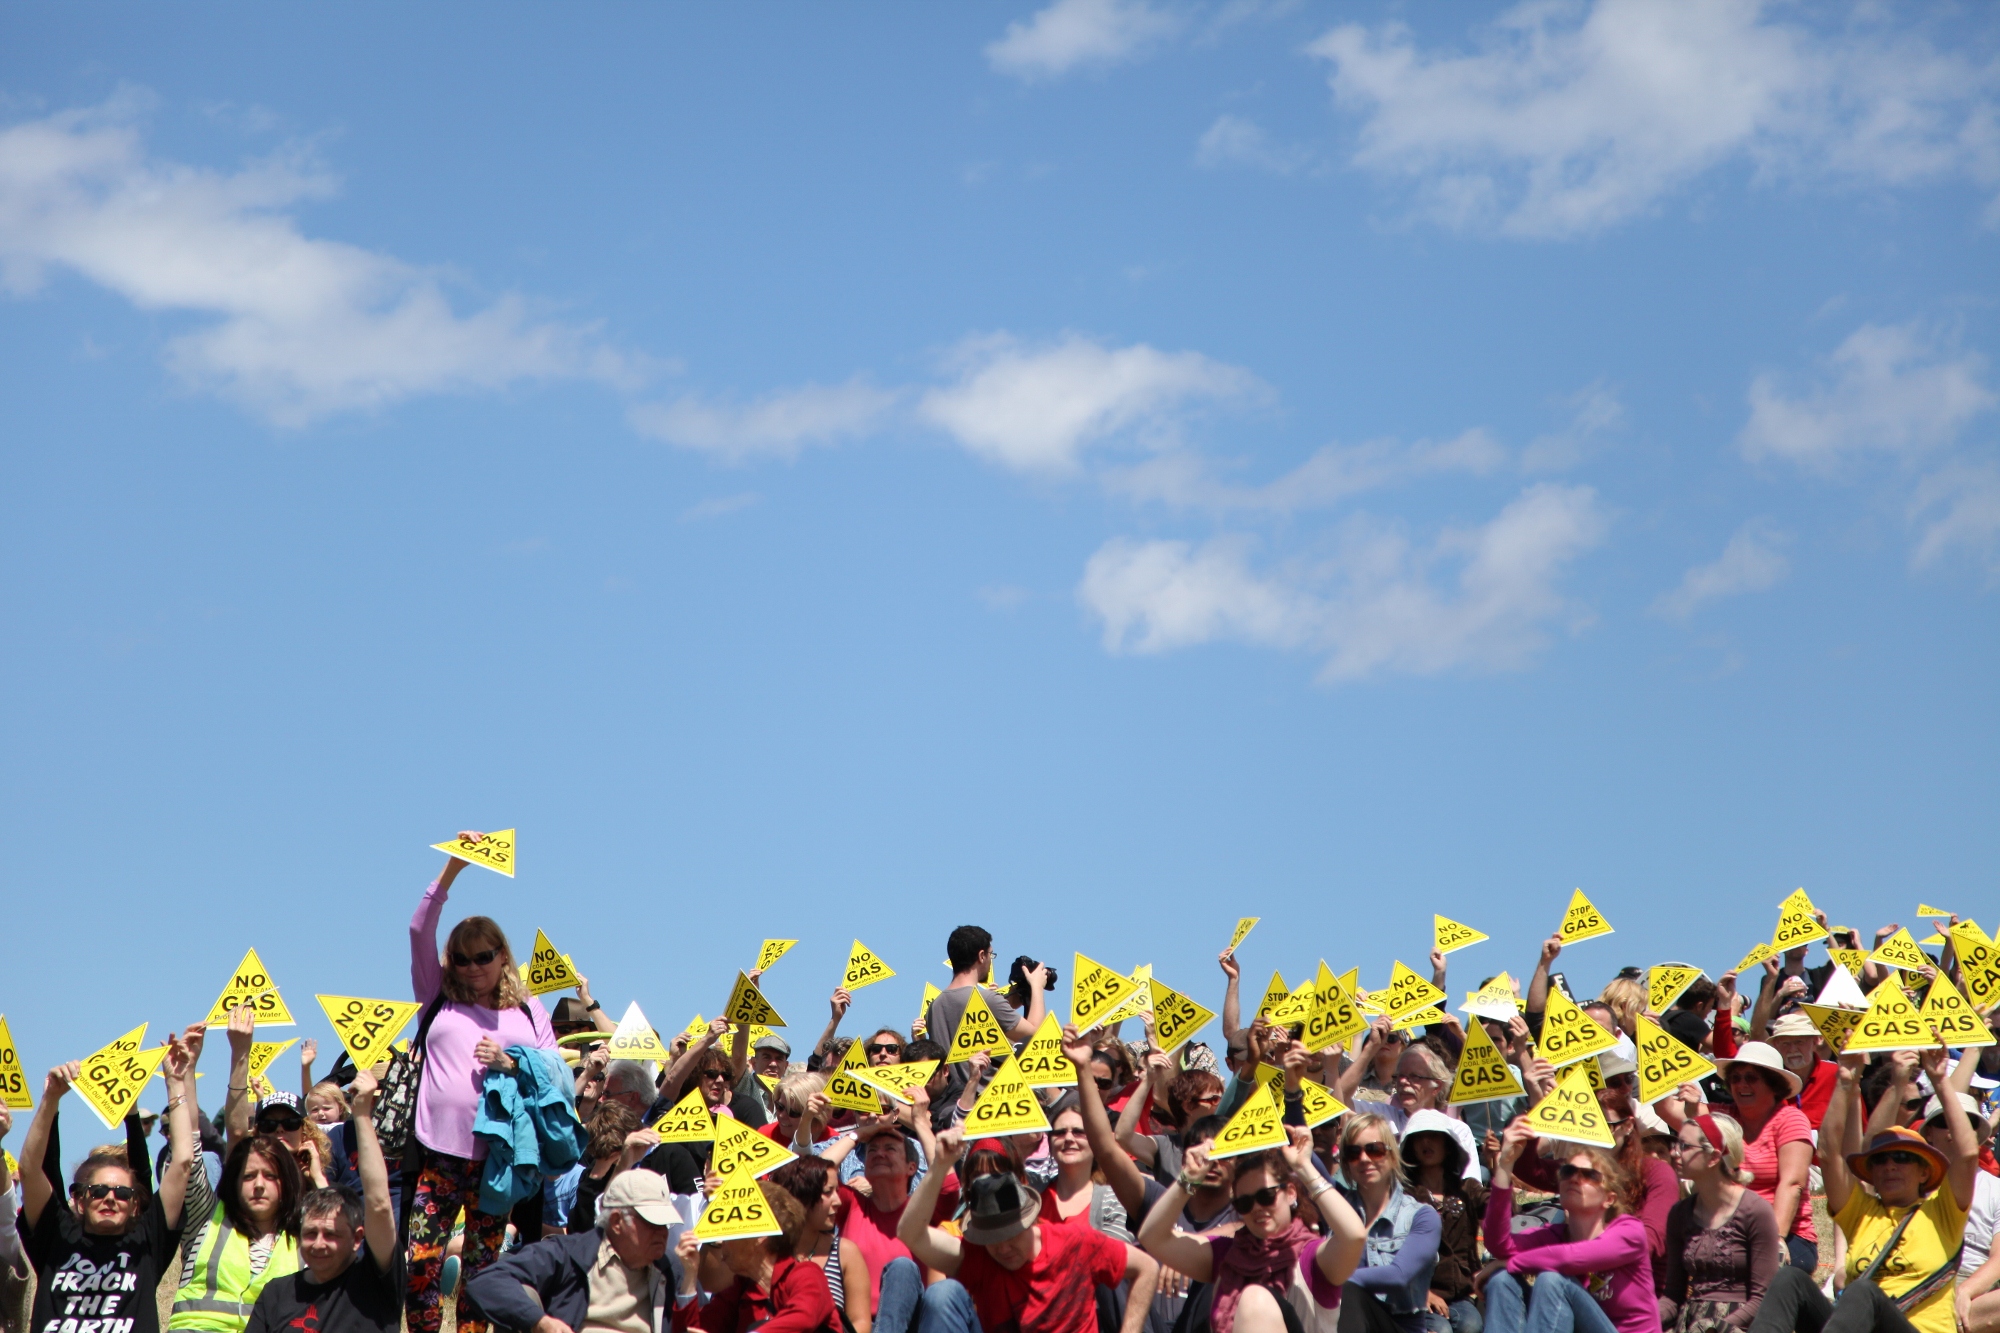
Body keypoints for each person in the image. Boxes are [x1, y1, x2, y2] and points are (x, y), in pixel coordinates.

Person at [406, 836, 563, 1333]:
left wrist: (512, 1061)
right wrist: (453, 868)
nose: (473, 967)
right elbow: (418, 929)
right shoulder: (437, 994)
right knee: (419, 1262)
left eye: (484, 956)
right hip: (439, 1153)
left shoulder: (527, 1007)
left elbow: (557, 1068)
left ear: (503, 956)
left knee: (484, 1270)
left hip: (499, 1156)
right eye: (463, 958)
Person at [1749, 1043, 1979, 1333]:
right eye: (1881, 1159)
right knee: (1790, 1279)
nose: (1890, 1166)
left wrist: (1940, 1080)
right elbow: (1830, 1154)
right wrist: (1845, 1081)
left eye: (1903, 1158)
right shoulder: (1861, 1212)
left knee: (1863, 1291)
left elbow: (1968, 1153)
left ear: (1925, 1172)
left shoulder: (1943, 1212)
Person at [899, 1123, 1159, 1333]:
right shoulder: (978, 1257)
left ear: (1030, 1219)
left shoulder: (1075, 1242)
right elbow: (909, 1233)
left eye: (1010, 1234)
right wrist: (940, 1165)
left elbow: (1146, 1268)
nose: (1003, 1247)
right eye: (992, 1238)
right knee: (942, 1292)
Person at [20, 1036, 196, 1333]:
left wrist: (175, 1084)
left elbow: (182, 1163)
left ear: (135, 1204)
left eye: (122, 1193)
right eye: (99, 1191)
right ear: (79, 1199)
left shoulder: (146, 1244)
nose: (110, 1198)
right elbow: (30, 1170)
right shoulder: (57, 1238)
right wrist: (51, 1100)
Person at [1137, 1126, 1364, 1333]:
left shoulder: (1312, 1257)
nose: (1256, 1208)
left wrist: (1304, 1167)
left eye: (1266, 1196)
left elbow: (1354, 1235)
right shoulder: (1229, 1256)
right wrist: (1188, 1179)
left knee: (1255, 1299)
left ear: (1291, 1193)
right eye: (1245, 1203)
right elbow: (1153, 1237)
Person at [170, 1020, 307, 1333]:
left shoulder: (307, 1229)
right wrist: (184, 1077)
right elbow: (189, 1147)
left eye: (270, 1176)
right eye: (248, 1176)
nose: (258, 1185)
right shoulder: (207, 1216)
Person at [242, 1068, 399, 1333]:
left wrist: (360, 1114)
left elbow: (379, 1203)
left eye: (331, 1234)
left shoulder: (373, 1281)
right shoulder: (277, 1294)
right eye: (310, 1233)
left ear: (358, 1238)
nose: (318, 1243)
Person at [1484, 1117, 1660, 1333]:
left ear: (1609, 1198)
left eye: (1589, 1175)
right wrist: (1504, 1166)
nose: (1575, 1179)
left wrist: (1511, 1263)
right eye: (1568, 1172)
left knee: (1551, 1280)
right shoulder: (1554, 1235)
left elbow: (1572, 1257)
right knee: (1502, 1281)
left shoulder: (1629, 1232)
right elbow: (1500, 1245)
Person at [466, 1169, 686, 1333]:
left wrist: (692, 1279)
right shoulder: (568, 1255)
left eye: (665, 1224)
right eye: (652, 1224)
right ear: (617, 1222)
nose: (662, 1233)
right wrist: (539, 1321)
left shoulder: (668, 1268)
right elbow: (485, 1283)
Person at [816, 1102, 960, 1331]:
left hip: (911, 1324)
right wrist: (858, 1134)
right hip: (856, 1325)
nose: (879, 1153)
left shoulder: (922, 1211)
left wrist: (920, 1123)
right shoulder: (852, 1205)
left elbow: (949, 1186)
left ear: (912, 1167)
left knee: (903, 1268)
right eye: (872, 1150)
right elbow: (815, 1175)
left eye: (890, 1149)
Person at [1658, 1114, 1780, 1333]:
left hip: (1739, 1325)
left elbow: (1763, 1299)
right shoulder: (1679, 1213)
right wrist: (1643, 1318)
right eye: (1676, 1143)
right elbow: (1673, 1295)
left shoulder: (1756, 1211)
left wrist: (1717, 1327)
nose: (1674, 1152)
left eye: (1684, 1146)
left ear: (1714, 1157)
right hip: (1690, 1323)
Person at [672, 1177, 837, 1331]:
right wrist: (690, 1275)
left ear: (760, 1236)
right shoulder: (740, 1289)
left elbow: (803, 1317)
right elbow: (693, 1330)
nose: (722, 1241)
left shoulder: (806, 1274)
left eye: (731, 1232)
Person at [1705, 1044, 1815, 1272]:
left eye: (1751, 1078)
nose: (1741, 1084)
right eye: (1735, 1078)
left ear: (1772, 1085)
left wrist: (1773, 1239)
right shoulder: (1724, 1116)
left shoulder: (1790, 1118)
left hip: (1788, 1236)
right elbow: (1670, 1110)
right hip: (1732, 1232)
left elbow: (1792, 1183)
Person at [1333, 1112, 1441, 1333]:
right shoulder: (1338, 1209)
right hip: (1344, 1322)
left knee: (1349, 1289)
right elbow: (1303, 1162)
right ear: (1346, 1163)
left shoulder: (1421, 1215)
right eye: (1354, 1153)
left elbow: (1399, 1275)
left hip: (1399, 1326)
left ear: (1392, 1156)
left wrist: (1333, 1278)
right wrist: (1294, 1092)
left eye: (1374, 1150)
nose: (1364, 1159)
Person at [1401, 1110, 1486, 1333]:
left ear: (1448, 1145)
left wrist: (1502, 1164)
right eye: (1419, 1137)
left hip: (1459, 1295)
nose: (1426, 1142)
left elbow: (1504, 1210)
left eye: (1433, 1136)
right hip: (1416, 1294)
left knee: (1471, 1326)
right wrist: (1422, 1293)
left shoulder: (1467, 1188)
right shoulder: (1402, 1195)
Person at [767, 1157, 872, 1333]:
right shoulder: (765, 1250)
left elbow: (860, 1323)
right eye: (827, 1192)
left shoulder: (845, 1252)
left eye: (837, 1191)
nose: (838, 1201)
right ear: (800, 1196)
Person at [1043, 1101, 1131, 1238]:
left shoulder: (1114, 1200)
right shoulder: (1035, 1198)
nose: (1068, 1138)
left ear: (1095, 1142)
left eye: (1078, 1132)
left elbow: (1115, 1255)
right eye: (1060, 1132)